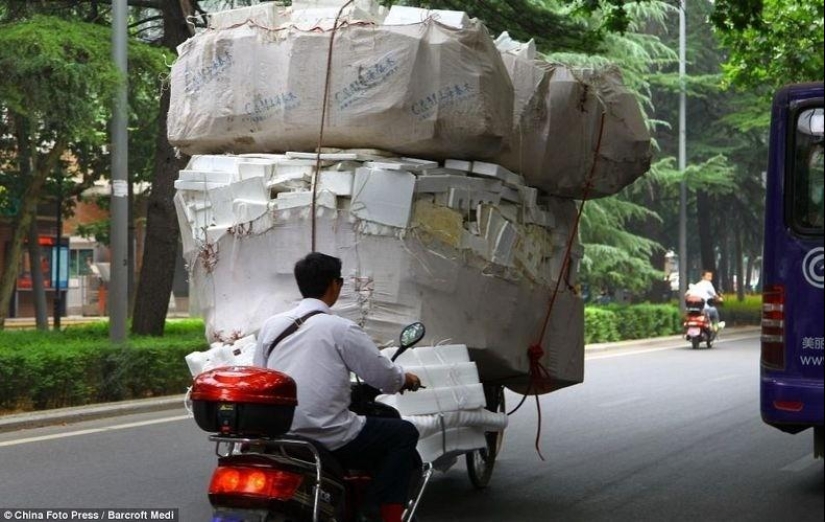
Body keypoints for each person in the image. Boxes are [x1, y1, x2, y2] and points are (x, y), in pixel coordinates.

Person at [253, 252, 422, 522]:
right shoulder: (341, 329)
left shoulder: (271, 327)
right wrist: (405, 379)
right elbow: (383, 376)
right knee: (403, 433)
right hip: (328, 435)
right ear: (334, 285)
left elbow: (260, 377)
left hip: (280, 434)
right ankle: (378, 511)